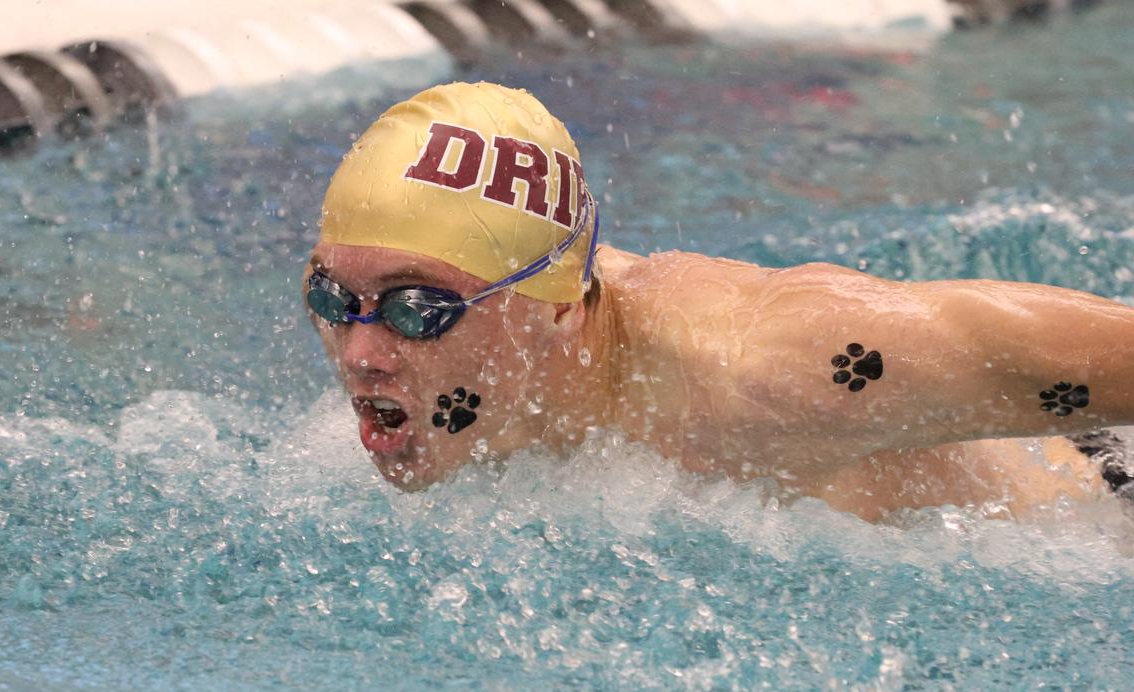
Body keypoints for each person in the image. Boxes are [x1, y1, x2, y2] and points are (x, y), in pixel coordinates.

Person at [303, 81, 1134, 522]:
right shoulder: (469, 378)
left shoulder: (785, 369)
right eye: (334, 298)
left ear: (557, 306)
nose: (363, 352)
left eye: (418, 311)